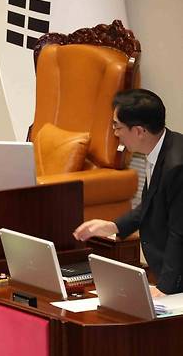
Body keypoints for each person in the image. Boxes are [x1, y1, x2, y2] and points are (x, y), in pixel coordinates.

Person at [74, 89, 183, 295]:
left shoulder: (176, 167)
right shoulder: (162, 149)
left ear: (139, 131)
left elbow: (180, 233)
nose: (115, 134)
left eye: (117, 126)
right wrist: (113, 226)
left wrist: (166, 288)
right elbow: (151, 203)